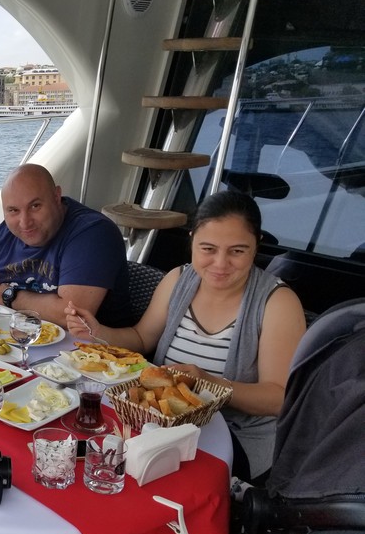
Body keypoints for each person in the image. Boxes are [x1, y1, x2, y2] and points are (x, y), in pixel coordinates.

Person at [65, 191, 307, 484]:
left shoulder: (277, 302)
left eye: (237, 251)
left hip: (234, 437)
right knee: (85, 453)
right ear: (192, 240)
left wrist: (209, 384)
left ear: (257, 246)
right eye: (208, 248)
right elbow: (142, 339)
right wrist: (98, 331)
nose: (220, 263)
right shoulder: (178, 280)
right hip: (159, 425)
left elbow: (280, 397)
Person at [0, 163, 132, 327]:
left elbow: (72, 315)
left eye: (35, 206)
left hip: (94, 357)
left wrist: (10, 296)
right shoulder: (6, 233)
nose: (25, 222)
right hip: (19, 339)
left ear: (56, 196)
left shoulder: (92, 233)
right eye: (13, 210)